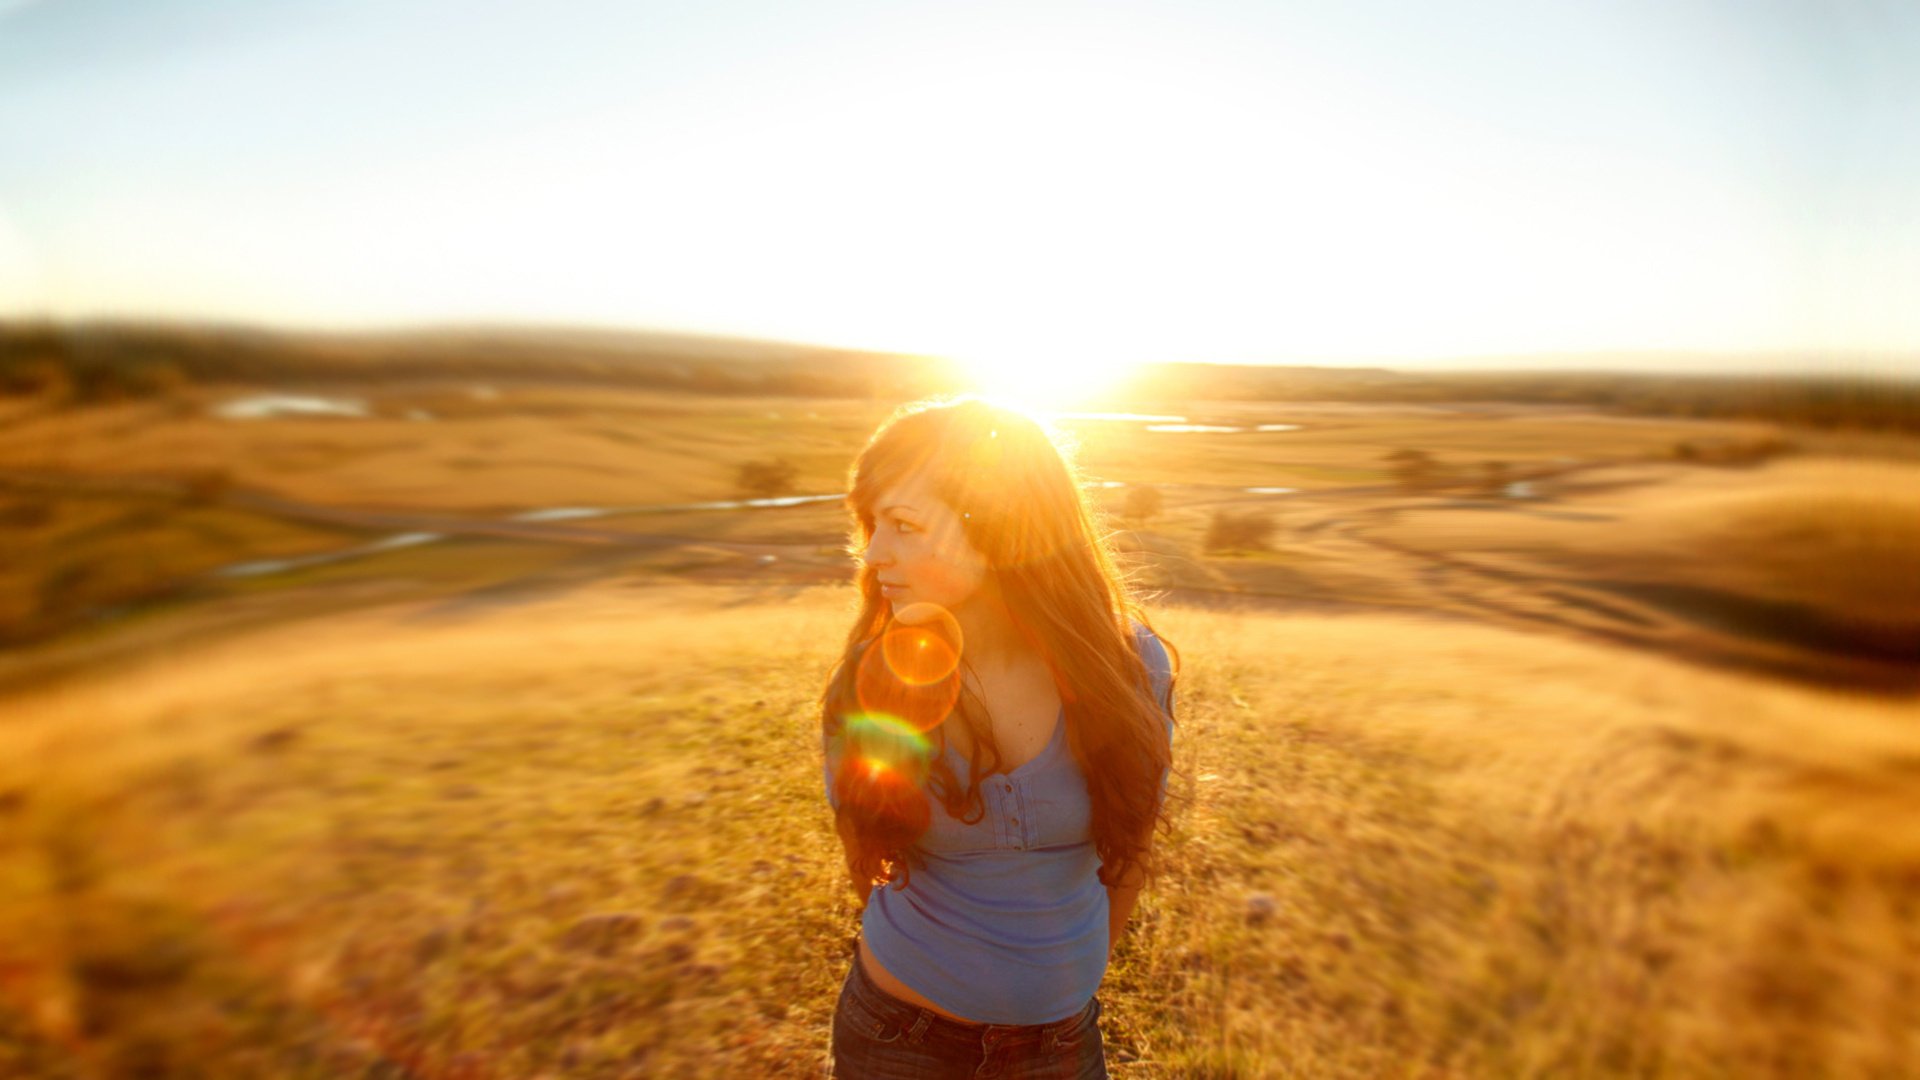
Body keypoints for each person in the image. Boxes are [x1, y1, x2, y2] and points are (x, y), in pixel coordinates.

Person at [819, 396, 1178, 1078]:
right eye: (871, 523)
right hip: (900, 1037)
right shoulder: (873, 678)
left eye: (903, 525)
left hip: (1063, 1044)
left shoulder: (1128, 670)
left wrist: (1064, 980)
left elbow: (1131, 847)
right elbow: (864, 852)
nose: (872, 553)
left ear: (999, 529)